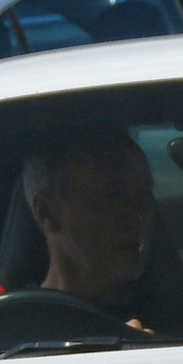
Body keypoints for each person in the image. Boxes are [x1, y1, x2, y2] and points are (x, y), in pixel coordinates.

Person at [22, 132, 161, 321]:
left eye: (144, 197)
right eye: (114, 197)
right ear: (47, 211)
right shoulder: (15, 327)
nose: (137, 215)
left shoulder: (176, 322)